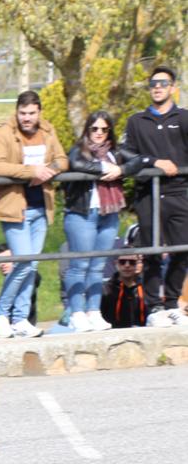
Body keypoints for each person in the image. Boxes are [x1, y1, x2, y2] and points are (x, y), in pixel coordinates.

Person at [0, 91, 68, 338]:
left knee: (30, 265)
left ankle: (20, 319)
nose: (27, 118)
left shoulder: (48, 131)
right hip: (14, 208)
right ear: (17, 112)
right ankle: (1, 314)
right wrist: (30, 171)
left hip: (41, 207)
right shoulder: (5, 133)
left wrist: (49, 170)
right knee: (22, 262)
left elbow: (62, 160)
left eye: (31, 113)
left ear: (39, 112)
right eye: (22, 113)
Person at [64, 111, 153, 332]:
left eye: (104, 129)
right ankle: (77, 312)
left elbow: (139, 160)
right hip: (83, 212)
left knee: (98, 266)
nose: (99, 134)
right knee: (80, 265)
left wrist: (120, 170)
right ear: (87, 129)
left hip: (109, 213)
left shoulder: (115, 152)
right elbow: (75, 163)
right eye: (95, 129)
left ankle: (94, 311)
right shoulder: (79, 149)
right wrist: (105, 169)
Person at [121, 66, 188, 326]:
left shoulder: (183, 118)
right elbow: (126, 154)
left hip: (179, 192)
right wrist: (155, 162)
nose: (157, 87)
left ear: (172, 87)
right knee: (151, 250)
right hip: (148, 193)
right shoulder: (137, 121)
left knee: (182, 249)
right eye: (153, 83)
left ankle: (171, 302)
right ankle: (154, 307)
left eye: (163, 83)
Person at [101, 253, 151, 328]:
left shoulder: (146, 287)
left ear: (137, 265)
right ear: (116, 264)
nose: (127, 265)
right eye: (122, 262)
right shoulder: (107, 289)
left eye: (132, 262)